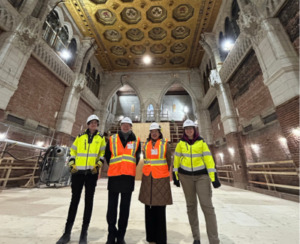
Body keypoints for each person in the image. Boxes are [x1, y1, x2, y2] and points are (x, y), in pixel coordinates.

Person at [56, 114, 106, 244]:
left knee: (88, 202)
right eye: (91, 122)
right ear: (88, 124)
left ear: (97, 125)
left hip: (91, 173)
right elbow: (73, 152)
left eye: (96, 122)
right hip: (78, 173)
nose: (93, 124)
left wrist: (98, 165)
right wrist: (71, 164)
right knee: (74, 201)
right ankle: (66, 233)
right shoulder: (79, 137)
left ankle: (84, 234)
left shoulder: (101, 139)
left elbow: (102, 154)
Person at [173, 119, 221, 244]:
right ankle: (196, 238)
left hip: (202, 177)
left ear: (194, 129)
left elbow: (208, 159)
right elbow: (176, 160)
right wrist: (176, 176)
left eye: (191, 128)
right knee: (191, 206)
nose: (189, 130)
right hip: (185, 177)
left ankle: (214, 240)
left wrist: (213, 176)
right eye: (187, 128)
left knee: (207, 206)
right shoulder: (180, 144)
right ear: (184, 131)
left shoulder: (201, 143)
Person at [104, 117, 141, 244]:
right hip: (114, 177)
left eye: (128, 125)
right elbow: (107, 156)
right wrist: (115, 166)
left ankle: (121, 236)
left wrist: (128, 167)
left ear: (131, 126)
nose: (125, 126)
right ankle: (111, 234)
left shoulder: (136, 141)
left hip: (128, 178)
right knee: (111, 208)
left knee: (125, 209)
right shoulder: (112, 139)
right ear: (120, 126)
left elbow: (136, 158)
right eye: (123, 124)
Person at [138, 122, 172, 244]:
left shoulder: (165, 144)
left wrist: (163, 172)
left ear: (159, 132)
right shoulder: (145, 145)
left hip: (161, 180)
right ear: (150, 133)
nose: (154, 133)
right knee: (148, 208)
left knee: (160, 210)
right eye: (152, 131)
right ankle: (150, 237)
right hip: (148, 179)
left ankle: (161, 239)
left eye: (156, 131)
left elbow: (168, 160)